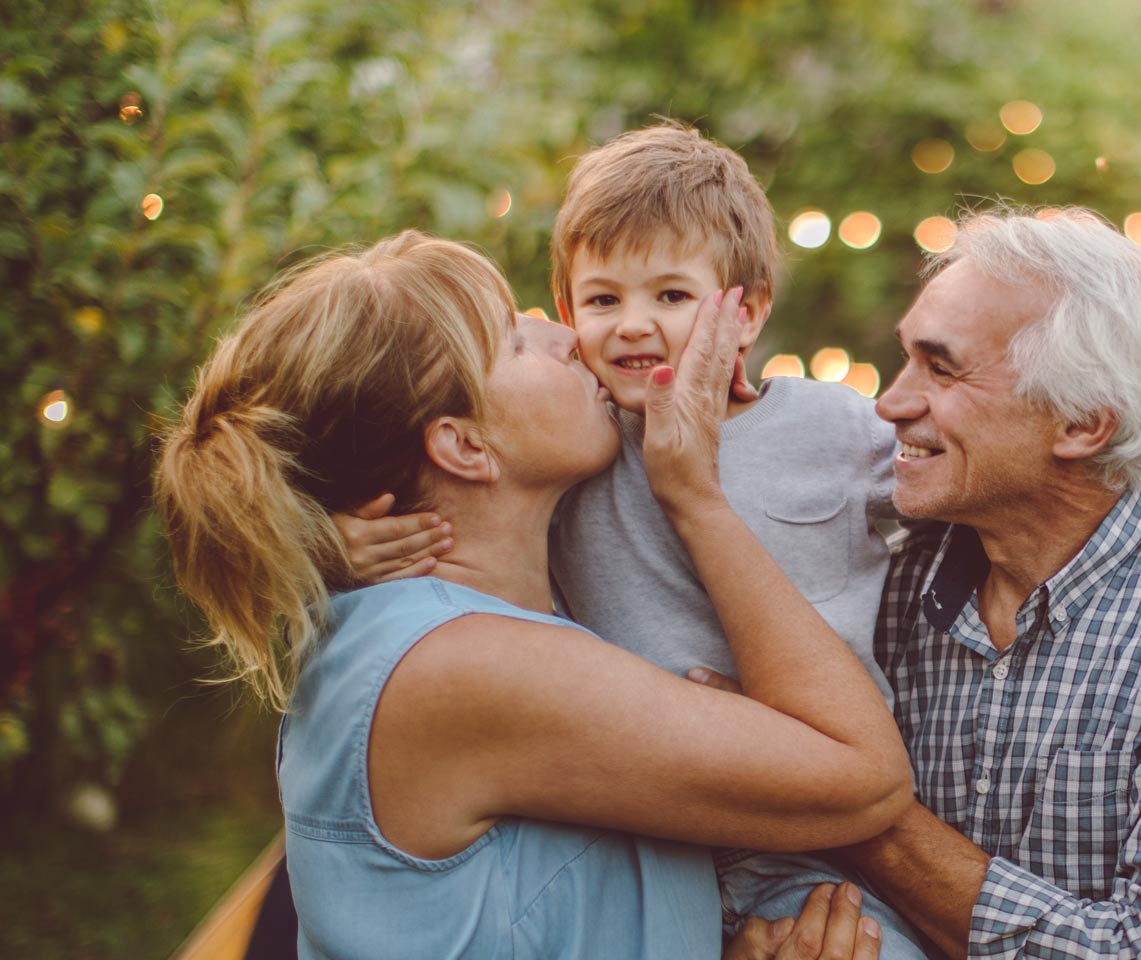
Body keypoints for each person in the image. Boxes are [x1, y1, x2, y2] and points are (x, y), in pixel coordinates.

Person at [333, 123, 1141, 958]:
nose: (633, 324)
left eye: (673, 296)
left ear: (748, 312)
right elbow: (420, 505)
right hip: (655, 814)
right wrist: (335, 546)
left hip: (819, 845)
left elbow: (989, 456)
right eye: (601, 299)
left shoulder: (831, 430)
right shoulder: (582, 441)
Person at [153, 231, 912, 958]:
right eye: (515, 342)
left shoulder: (428, 630)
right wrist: (694, 498)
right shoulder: (463, 667)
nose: (566, 336)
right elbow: (863, 778)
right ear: (465, 446)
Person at [807, 207, 1141, 959]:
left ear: (1084, 422)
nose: (890, 403)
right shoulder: (884, 568)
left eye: (941, 366)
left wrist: (841, 799)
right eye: (906, 359)